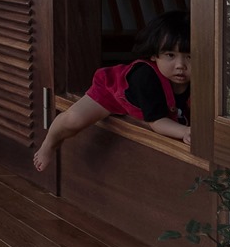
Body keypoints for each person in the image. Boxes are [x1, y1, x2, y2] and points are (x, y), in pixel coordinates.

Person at [32, 10, 191, 172]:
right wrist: (185, 131)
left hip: (146, 104)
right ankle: (49, 143)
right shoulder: (145, 77)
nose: (180, 65)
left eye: (189, 57)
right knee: (73, 120)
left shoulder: (196, 79)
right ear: (154, 55)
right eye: (170, 55)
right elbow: (157, 122)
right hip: (113, 93)